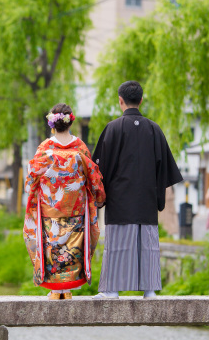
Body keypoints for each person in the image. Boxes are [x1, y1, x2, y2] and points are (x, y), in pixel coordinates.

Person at [91, 81, 183, 299]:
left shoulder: (113, 128)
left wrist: (100, 197)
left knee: (116, 246)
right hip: (146, 200)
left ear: (120, 101)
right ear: (141, 100)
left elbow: (99, 169)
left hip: (119, 200)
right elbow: (164, 168)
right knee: (147, 246)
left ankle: (111, 290)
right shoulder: (154, 129)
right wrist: (157, 195)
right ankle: (149, 290)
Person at [24, 103, 106, 300]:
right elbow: (93, 176)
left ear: (52, 125)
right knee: (72, 248)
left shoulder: (45, 148)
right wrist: (99, 196)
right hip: (75, 208)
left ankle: (55, 290)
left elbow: (32, 177)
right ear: (71, 123)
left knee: (52, 246)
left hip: (50, 208)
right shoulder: (80, 147)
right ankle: (67, 290)